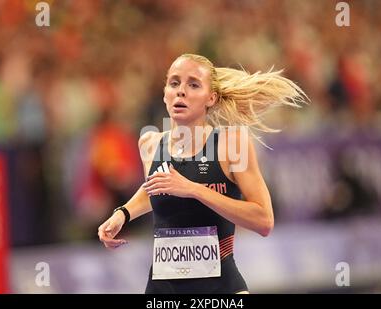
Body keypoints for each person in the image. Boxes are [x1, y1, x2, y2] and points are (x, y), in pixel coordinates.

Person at [98, 53, 306, 294]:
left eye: (193, 84)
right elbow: (157, 188)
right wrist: (123, 213)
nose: (181, 91)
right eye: (174, 83)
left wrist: (195, 190)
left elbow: (264, 221)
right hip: (163, 291)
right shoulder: (150, 144)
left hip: (221, 289)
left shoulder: (232, 144)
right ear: (165, 93)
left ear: (211, 97)